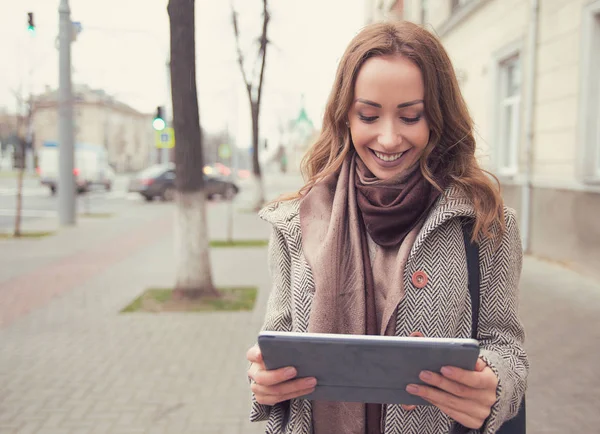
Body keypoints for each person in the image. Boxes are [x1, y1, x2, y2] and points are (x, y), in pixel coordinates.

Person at [246, 20, 528, 434]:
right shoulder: (295, 223)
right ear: (346, 116)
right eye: (369, 115)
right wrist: (263, 382)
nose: (389, 137)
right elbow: (278, 342)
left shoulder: (486, 222)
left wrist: (495, 385)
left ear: (438, 117)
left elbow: (508, 347)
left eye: (410, 116)